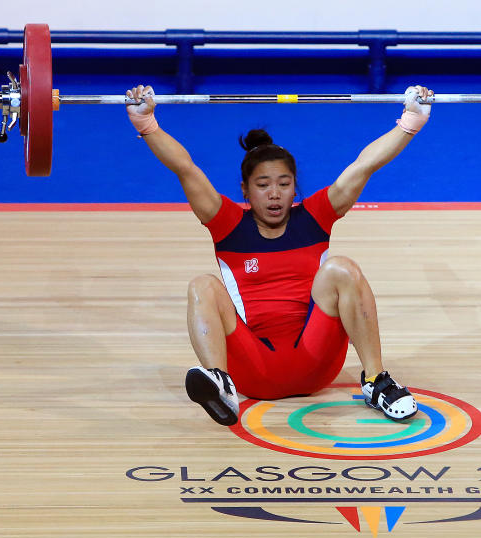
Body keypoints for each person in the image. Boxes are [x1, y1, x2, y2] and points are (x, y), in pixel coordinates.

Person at [125, 84, 433, 426]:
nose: (274, 195)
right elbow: (185, 168)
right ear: (245, 190)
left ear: (295, 185)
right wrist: (146, 123)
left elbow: (365, 165)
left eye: (284, 184)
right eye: (263, 185)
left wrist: (411, 121)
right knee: (203, 286)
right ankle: (221, 383)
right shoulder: (226, 223)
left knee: (341, 268)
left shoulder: (316, 216)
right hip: (255, 372)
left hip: (315, 364)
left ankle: (376, 382)